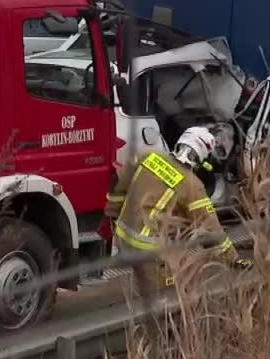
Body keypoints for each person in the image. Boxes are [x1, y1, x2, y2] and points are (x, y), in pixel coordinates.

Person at [106, 126, 251, 297]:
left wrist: (112, 214)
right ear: (202, 157)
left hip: (122, 239)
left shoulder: (147, 157)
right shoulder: (192, 185)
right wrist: (233, 259)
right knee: (168, 296)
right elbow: (211, 228)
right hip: (149, 250)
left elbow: (118, 186)